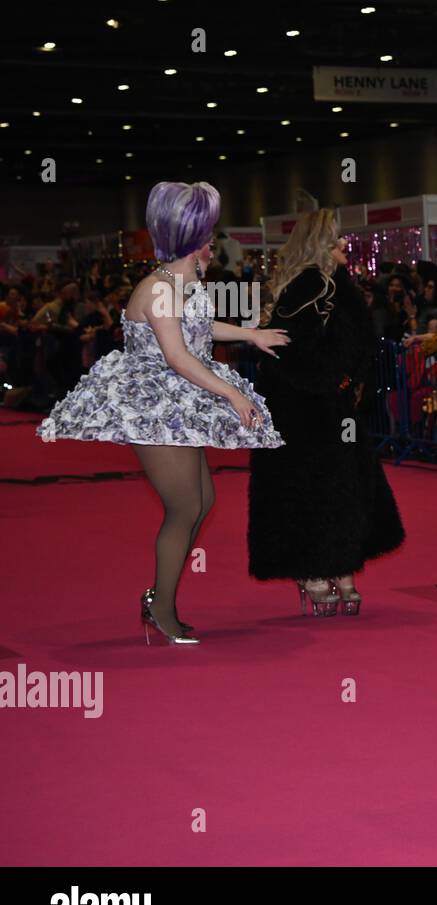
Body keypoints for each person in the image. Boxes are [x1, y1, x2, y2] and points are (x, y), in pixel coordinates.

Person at [37, 181, 286, 644]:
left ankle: (159, 599)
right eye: (209, 235)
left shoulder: (177, 283)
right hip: (154, 404)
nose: (214, 245)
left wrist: (252, 334)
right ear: (193, 240)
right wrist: (233, 396)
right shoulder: (158, 288)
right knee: (185, 505)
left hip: (177, 400)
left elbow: (199, 326)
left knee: (202, 502)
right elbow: (178, 356)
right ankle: (161, 606)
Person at [247, 210, 406, 615]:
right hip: (303, 408)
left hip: (331, 405)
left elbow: (354, 346)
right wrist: (329, 382)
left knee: (341, 486)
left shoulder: (333, 286)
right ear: (320, 245)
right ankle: (317, 569)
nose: (343, 248)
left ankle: (339, 565)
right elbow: (287, 346)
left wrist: (346, 384)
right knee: (315, 487)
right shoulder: (313, 285)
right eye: (335, 241)